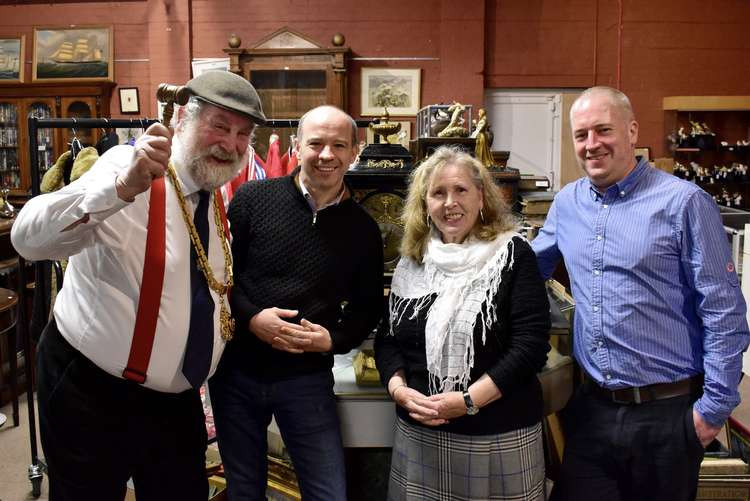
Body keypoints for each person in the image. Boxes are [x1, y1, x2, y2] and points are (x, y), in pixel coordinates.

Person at [11, 70, 266, 501]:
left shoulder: (212, 193)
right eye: (220, 126)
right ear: (183, 118)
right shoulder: (125, 168)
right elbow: (27, 239)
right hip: (93, 391)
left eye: (243, 134)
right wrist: (120, 188)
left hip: (175, 404)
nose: (231, 144)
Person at [531, 86, 750, 501]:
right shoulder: (568, 203)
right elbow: (525, 268)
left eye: (603, 130)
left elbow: (724, 311)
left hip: (667, 414)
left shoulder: (684, 203)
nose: (591, 144)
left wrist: (712, 411)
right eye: (581, 135)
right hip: (592, 409)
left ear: (631, 131)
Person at [209, 105, 384, 500]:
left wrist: (332, 341)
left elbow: (367, 307)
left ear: (354, 152)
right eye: (316, 143)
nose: (326, 155)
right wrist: (253, 319)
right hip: (237, 372)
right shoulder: (252, 199)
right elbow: (220, 277)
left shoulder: (363, 229)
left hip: (306, 379)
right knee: (244, 490)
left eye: (338, 145)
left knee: (328, 492)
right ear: (296, 145)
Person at [374, 146, 551, 500]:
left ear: (481, 197)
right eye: (438, 193)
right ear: (424, 204)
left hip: (497, 435)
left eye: (460, 190)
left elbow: (530, 347)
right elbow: (387, 338)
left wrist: (469, 400)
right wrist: (399, 391)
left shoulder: (512, 255)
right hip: (420, 435)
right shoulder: (413, 262)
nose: (450, 202)